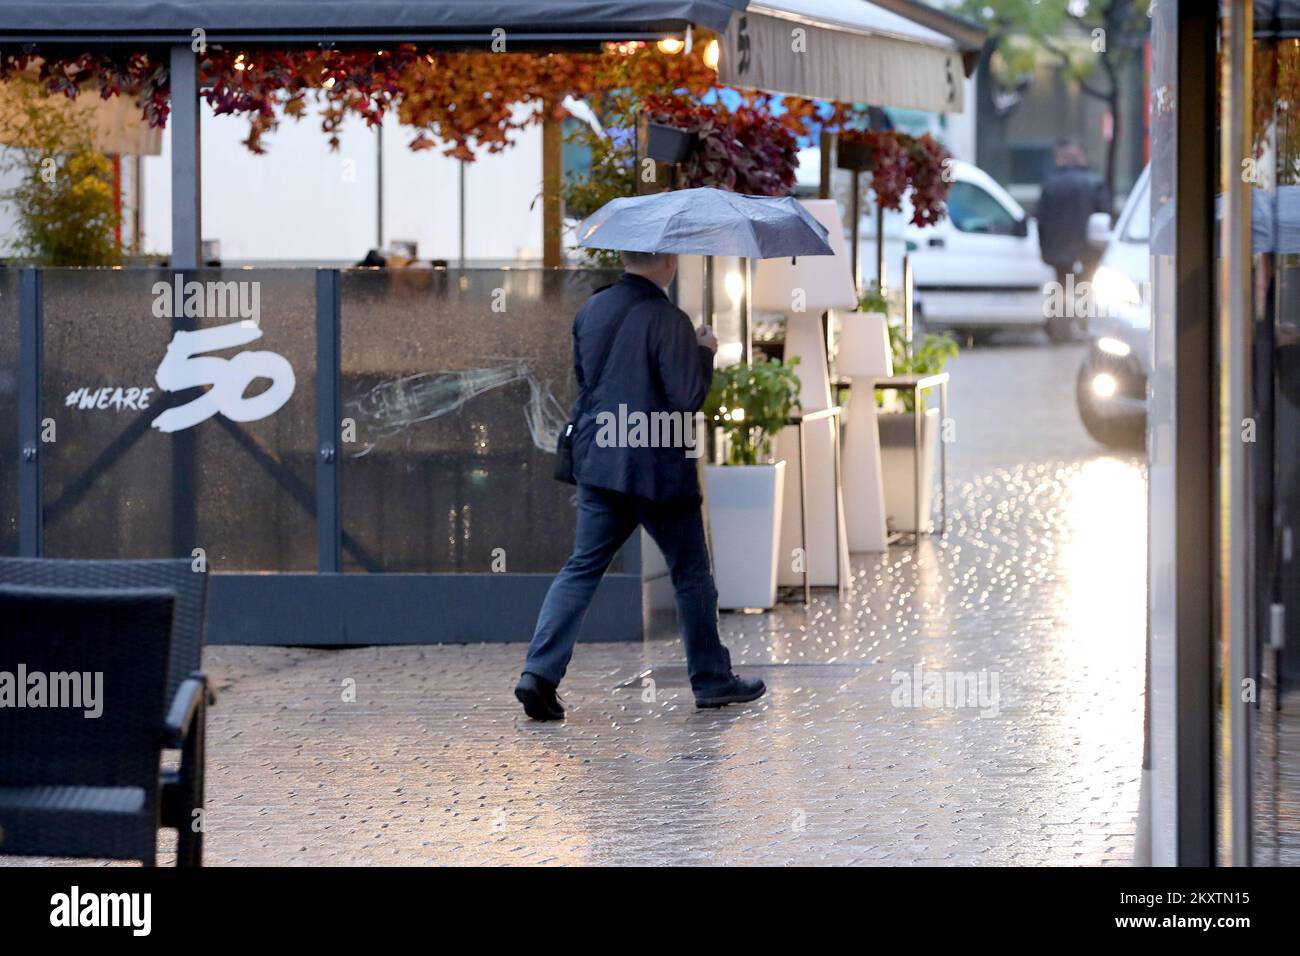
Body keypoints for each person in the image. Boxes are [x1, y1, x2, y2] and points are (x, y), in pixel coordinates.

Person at [514, 251, 766, 720]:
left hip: (600, 461)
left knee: (582, 567)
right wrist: (704, 351)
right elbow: (686, 396)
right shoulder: (669, 319)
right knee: (690, 573)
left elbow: (588, 383)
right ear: (668, 262)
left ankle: (538, 673)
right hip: (656, 468)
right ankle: (711, 680)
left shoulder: (592, 309)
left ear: (627, 259)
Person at [1037, 140, 1112, 341]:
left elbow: (1041, 219)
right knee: (1087, 287)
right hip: (1090, 250)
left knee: (1061, 288)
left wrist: (1045, 250)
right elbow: (1105, 217)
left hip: (1059, 251)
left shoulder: (1051, 184)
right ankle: (1086, 329)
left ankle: (1060, 333)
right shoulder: (1095, 182)